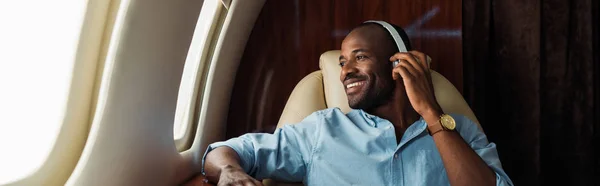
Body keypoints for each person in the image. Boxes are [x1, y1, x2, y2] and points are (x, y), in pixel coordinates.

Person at [202, 21, 513, 186]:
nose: (345, 71)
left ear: (400, 65)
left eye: (360, 57)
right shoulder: (323, 130)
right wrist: (229, 171)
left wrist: (431, 113)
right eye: (342, 61)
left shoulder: (458, 130)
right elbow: (224, 152)